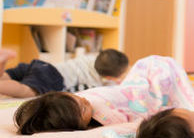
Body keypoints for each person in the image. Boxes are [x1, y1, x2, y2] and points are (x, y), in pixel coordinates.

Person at [14, 55, 194, 135]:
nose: (84, 100)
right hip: (141, 96)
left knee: (154, 66)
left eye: (78, 98)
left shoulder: (86, 96)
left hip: (134, 86)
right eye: (82, 107)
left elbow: (120, 92)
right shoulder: (106, 121)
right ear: (76, 125)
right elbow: (136, 118)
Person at [0, 48, 129, 98]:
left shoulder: (91, 58)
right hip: (53, 76)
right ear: (107, 77)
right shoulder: (94, 82)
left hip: (42, 65)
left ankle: (2, 61)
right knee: (25, 90)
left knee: (7, 76)